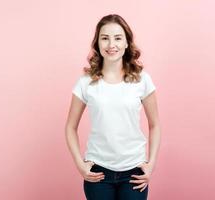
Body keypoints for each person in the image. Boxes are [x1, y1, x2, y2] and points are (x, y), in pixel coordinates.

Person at [65, 14, 161, 200]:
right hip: (98, 173)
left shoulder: (142, 79)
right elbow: (70, 127)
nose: (111, 45)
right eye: (105, 38)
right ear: (97, 43)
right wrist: (79, 163)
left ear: (127, 43)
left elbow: (155, 124)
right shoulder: (85, 82)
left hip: (134, 173)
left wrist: (151, 164)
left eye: (118, 38)